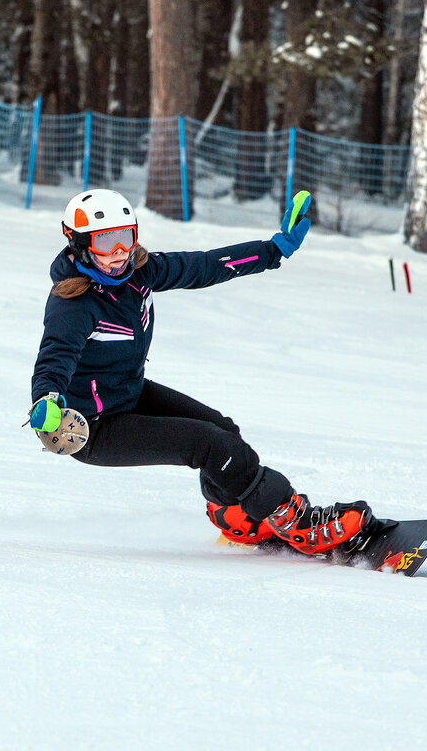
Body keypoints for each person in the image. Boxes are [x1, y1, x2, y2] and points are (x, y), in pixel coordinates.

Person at [27, 188, 393, 557]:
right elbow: (55, 356)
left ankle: (237, 514)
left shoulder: (138, 273)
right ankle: (296, 521)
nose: (119, 252)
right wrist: (47, 398)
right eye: (106, 242)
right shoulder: (72, 304)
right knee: (207, 444)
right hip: (92, 426)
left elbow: (204, 265)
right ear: (78, 243)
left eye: (126, 237)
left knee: (224, 431)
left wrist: (273, 249)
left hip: (128, 394)